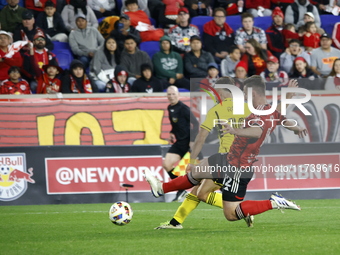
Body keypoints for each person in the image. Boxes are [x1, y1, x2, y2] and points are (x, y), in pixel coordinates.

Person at [144, 75, 307, 225]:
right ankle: (163, 192)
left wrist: (235, 131)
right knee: (197, 180)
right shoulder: (252, 108)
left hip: (236, 164)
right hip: (227, 157)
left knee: (221, 208)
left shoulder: (220, 109)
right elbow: (276, 115)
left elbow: (256, 130)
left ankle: (267, 204)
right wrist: (295, 122)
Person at [155, 77, 253, 229]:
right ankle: (175, 222)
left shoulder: (217, 109)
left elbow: (201, 136)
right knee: (199, 191)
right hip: (242, 161)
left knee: (200, 191)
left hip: (226, 160)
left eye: (216, 90)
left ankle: (243, 210)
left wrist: (192, 161)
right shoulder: (246, 108)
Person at [162, 85, 199, 202]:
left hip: (189, 143)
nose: (171, 96)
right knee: (166, 164)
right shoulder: (170, 108)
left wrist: (193, 141)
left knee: (203, 173)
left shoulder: (184, 108)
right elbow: (175, 125)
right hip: (179, 142)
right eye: (169, 94)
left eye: (174, 94)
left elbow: (196, 124)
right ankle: (181, 188)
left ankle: (226, 193)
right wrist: (172, 133)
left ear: (178, 95)